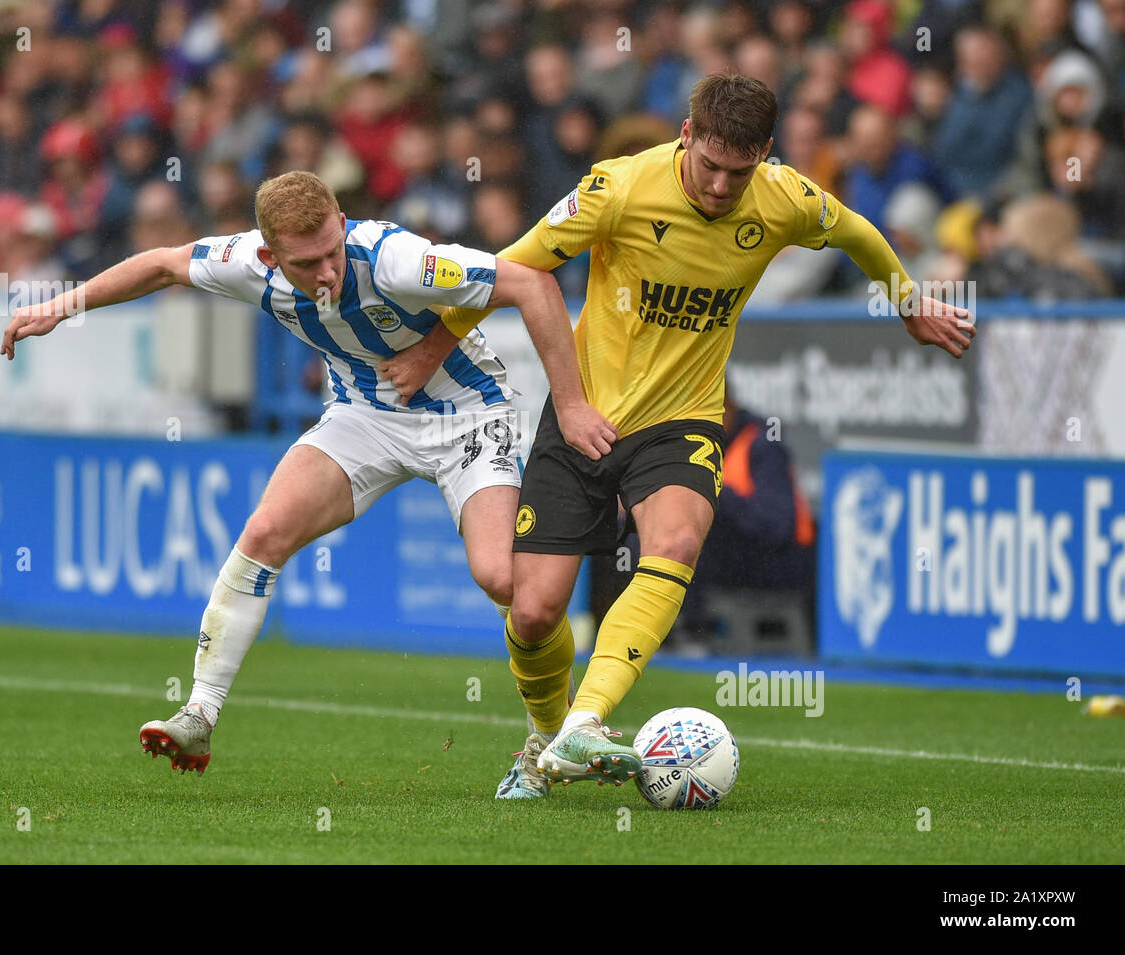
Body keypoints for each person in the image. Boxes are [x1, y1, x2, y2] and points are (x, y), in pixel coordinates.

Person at [383, 73, 973, 798]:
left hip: (685, 416)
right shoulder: (618, 189)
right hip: (585, 414)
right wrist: (432, 346)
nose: (723, 187)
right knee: (533, 609)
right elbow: (514, 268)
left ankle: (586, 720)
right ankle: (543, 738)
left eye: (741, 170)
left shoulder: (784, 198)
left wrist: (908, 300)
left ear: (764, 154)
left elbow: (853, 230)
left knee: (677, 541)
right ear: (686, 137)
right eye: (710, 166)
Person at [0, 170, 616, 775]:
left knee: (502, 579)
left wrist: (569, 405)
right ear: (269, 254)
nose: (325, 272)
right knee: (265, 532)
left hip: (467, 416)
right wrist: (62, 305)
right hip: (364, 416)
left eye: (331, 253)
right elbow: (162, 263)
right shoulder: (244, 261)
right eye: (305, 264)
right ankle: (198, 714)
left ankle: (551, 730)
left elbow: (531, 285)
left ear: (343, 225)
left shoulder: (399, 260)